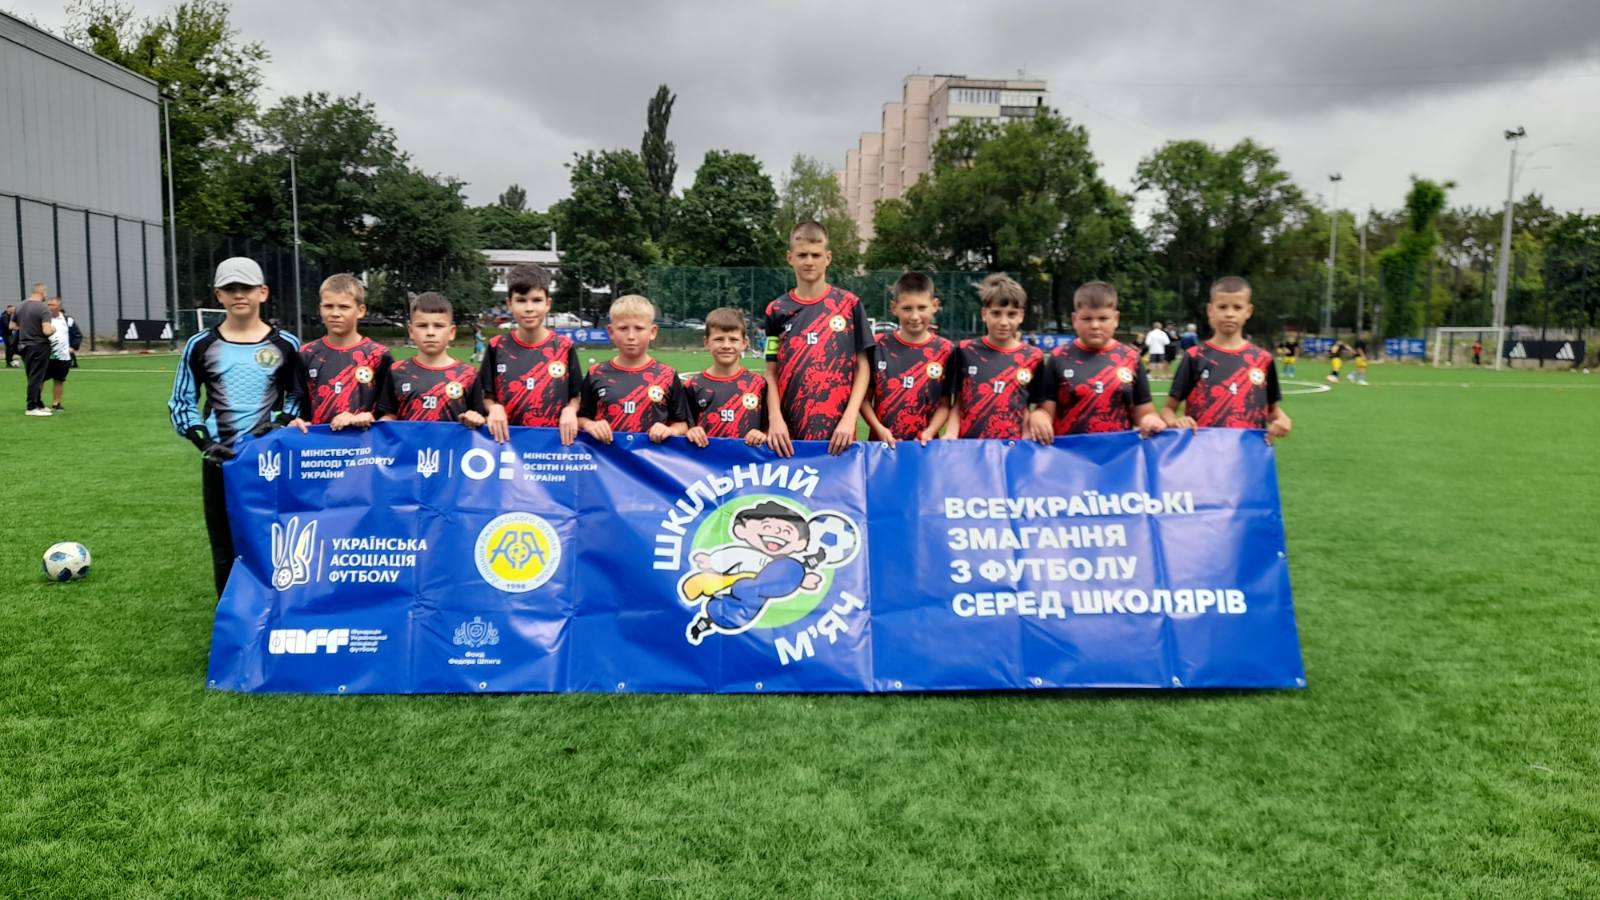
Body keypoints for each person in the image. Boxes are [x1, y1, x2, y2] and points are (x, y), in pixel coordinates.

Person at [168, 258, 308, 596]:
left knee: (277, 542)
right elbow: (181, 402)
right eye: (230, 288)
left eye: (246, 287)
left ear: (263, 292)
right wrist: (205, 444)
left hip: (270, 463)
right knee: (225, 548)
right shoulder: (200, 344)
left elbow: (299, 397)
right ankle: (232, 618)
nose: (239, 294)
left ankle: (274, 615)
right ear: (218, 295)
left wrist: (277, 425)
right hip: (221, 463)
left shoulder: (286, 344)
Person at [763, 220, 873, 457]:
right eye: (802, 255)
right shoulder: (776, 309)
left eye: (816, 255)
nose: (809, 261)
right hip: (788, 436)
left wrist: (850, 417)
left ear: (828, 257)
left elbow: (862, 368)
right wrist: (775, 418)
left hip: (839, 435)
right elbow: (771, 372)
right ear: (790, 257)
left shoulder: (849, 304)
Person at [1026, 281, 1165, 441]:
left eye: (1103, 318)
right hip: (1069, 453)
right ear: (1074, 320)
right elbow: (1045, 410)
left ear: (1116, 319)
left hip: (1118, 453)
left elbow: (1145, 412)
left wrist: (1150, 419)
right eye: (1087, 319)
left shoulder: (1131, 358)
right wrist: (1039, 417)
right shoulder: (1059, 358)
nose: (1095, 325)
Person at [1161, 276, 1291, 441]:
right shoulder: (1195, 356)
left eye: (1237, 307)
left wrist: (1282, 420)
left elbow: (1272, 410)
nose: (1229, 314)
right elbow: (1168, 409)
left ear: (1249, 311)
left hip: (1248, 453)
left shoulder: (1263, 359)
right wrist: (1175, 422)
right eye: (1222, 307)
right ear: (1210, 310)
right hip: (1202, 451)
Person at [479, 264, 581, 445]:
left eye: (536, 300)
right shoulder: (497, 346)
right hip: (507, 447)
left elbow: (577, 395)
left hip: (554, 447)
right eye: (521, 300)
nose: (529, 308)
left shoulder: (564, 347)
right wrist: (493, 408)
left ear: (548, 304)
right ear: (509, 304)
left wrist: (571, 410)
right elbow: (486, 396)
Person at [576, 294, 691, 444]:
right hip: (606, 457)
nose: (631, 336)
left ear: (652, 332)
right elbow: (580, 418)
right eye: (623, 328)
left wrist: (670, 430)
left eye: (639, 328)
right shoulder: (596, 373)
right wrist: (590, 425)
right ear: (611, 332)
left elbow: (682, 424)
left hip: (651, 457)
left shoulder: (667, 375)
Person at [860, 272, 955, 447]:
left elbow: (945, 404)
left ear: (934, 305)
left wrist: (929, 432)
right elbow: (864, 399)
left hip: (925, 448)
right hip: (882, 448)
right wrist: (879, 429)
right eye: (907, 309)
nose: (914, 316)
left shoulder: (946, 350)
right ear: (894, 307)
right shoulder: (878, 346)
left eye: (922, 308)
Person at [292, 273, 392, 431]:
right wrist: (296, 421)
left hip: (364, 443)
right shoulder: (306, 353)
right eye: (328, 306)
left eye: (344, 307)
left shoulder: (379, 355)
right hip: (318, 443)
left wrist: (369, 417)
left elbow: (391, 412)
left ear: (360, 311)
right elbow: (298, 404)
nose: (335, 313)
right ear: (320, 309)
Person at [949, 273, 1043, 439]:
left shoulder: (1033, 357)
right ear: (984, 314)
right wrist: (950, 436)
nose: (1003, 322)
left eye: (1011, 314)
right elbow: (958, 403)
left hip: (1012, 448)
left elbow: (1028, 406)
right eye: (996, 313)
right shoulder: (964, 351)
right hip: (970, 446)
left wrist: (1026, 440)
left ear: (1021, 316)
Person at [376, 292, 486, 425]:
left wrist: (476, 418)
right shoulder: (397, 371)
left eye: (438, 326)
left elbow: (479, 418)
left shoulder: (469, 375)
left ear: (451, 332)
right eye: (422, 326)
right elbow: (389, 417)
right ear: (411, 331)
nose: (430, 333)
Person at [683, 307, 768, 448]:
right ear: (706, 342)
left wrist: (762, 435)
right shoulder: (693, 385)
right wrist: (690, 431)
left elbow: (769, 427)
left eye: (733, 339)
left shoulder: (758, 384)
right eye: (719, 339)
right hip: (707, 461)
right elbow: (682, 426)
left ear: (744, 343)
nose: (726, 345)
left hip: (746, 461)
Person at [17, 283, 56, 416]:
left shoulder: (20, 305)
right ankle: (31, 406)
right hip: (39, 345)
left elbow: (12, 325)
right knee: (37, 377)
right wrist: (53, 329)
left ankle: (38, 403)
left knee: (32, 375)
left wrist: (27, 328)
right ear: (42, 292)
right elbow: (47, 331)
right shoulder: (43, 307)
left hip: (24, 346)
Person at [45, 297, 75, 410]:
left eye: (52, 305)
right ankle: (37, 403)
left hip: (63, 357)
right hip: (45, 356)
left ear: (59, 307)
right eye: (48, 305)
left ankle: (56, 403)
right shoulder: (43, 319)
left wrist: (73, 346)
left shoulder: (67, 320)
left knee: (59, 381)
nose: (49, 307)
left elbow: (76, 334)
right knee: (40, 380)